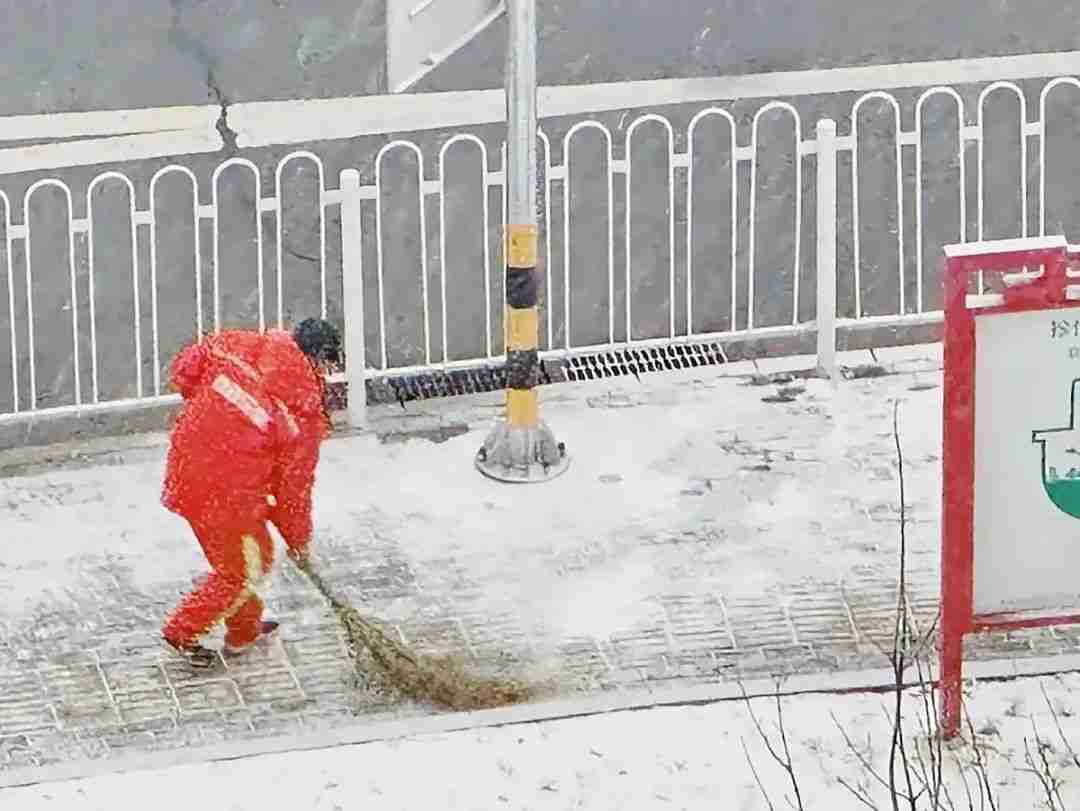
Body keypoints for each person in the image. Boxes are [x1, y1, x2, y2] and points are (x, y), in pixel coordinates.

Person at [160, 317, 342, 668]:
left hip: (186, 466)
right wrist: (299, 541)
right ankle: (181, 633)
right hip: (228, 492)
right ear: (319, 359)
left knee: (243, 557)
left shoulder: (238, 346)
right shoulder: (300, 410)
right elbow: (293, 491)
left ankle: (244, 630)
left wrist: (213, 418)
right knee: (242, 569)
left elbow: (187, 368)